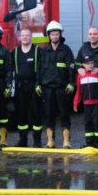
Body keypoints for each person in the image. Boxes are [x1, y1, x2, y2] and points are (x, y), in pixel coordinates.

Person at [36, 21, 75, 149]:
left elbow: (71, 68)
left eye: (56, 34)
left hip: (62, 88)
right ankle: (50, 141)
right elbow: (39, 69)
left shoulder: (66, 50)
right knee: (48, 115)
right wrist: (38, 84)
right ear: (49, 35)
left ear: (60, 35)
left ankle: (66, 141)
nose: (54, 36)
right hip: (47, 89)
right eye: (52, 34)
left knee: (64, 114)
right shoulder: (44, 51)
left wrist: (71, 83)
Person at [76, 26, 98, 148]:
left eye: (95, 34)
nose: (92, 36)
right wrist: (78, 68)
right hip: (89, 90)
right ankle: (91, 143)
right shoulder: (84, 48)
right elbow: (76, 62)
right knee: (90, 119)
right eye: (90, 34)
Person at [12, 28, 43, 147]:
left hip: (34, 85)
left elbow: (41, 70)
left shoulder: (38, 51)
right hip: (20, 86)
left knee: (36, 113)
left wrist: (39, 84)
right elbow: (10, 70)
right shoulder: (15, 52)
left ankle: (37, 141)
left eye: (27, 35)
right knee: (21, 113)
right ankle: (23, 140)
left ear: (31, 37)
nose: (25, 37)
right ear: (19, 37)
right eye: (23, 35)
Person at [74, 55, 98, 147]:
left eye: (92, 63)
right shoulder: (80, 76)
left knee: (97, 122)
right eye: (88, 64)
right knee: (88, 122)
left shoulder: (97, 74)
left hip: (97, 103)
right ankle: (89, 143)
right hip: (86, 104)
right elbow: (79, 91)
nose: (90, 65)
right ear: (83, 65)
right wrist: (76, 103)